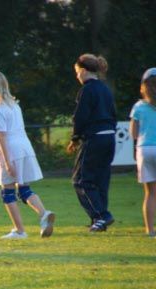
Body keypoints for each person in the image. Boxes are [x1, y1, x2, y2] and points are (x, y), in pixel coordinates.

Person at [0, 70, 55, 239]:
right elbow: (2, 132)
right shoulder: (14, 105)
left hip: (10, 150)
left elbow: (3, 136)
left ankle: (20, 231)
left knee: (7, 192)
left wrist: (7, 162)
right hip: (24, 148)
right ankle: (44, 213)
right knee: (24, 188)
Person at [67, 54, 117, 232]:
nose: (77, 76)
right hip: (109, 137)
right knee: (101, 180)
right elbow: (113, 113)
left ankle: (101, 215)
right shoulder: (105, 89)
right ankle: (99, 220)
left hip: (94, 138)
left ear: (83, 70)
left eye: (77, 72)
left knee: (80, 180)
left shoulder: (87, 90)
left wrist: (75, 137)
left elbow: (80, 116)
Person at [129, 67, 156, 237]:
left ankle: (150, 230)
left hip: (145, 149)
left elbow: (133, 133)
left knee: (150, 192)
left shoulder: (138, 106)